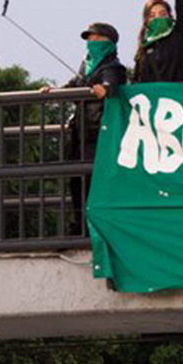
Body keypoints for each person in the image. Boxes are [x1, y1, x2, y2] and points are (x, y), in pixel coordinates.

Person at [49, 22, 127, 228]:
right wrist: (54, 91)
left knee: (95, 182)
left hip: (98, 134)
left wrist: (105, 88)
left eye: (96, 39)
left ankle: (95, 227)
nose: (91, 44)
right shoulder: (86, 66)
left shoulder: (114, 67)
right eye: (89, 40)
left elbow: (113, 84)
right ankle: (79, 225)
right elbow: (73, 85)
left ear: (109, 42)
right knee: (76, 180)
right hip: (79, 133)